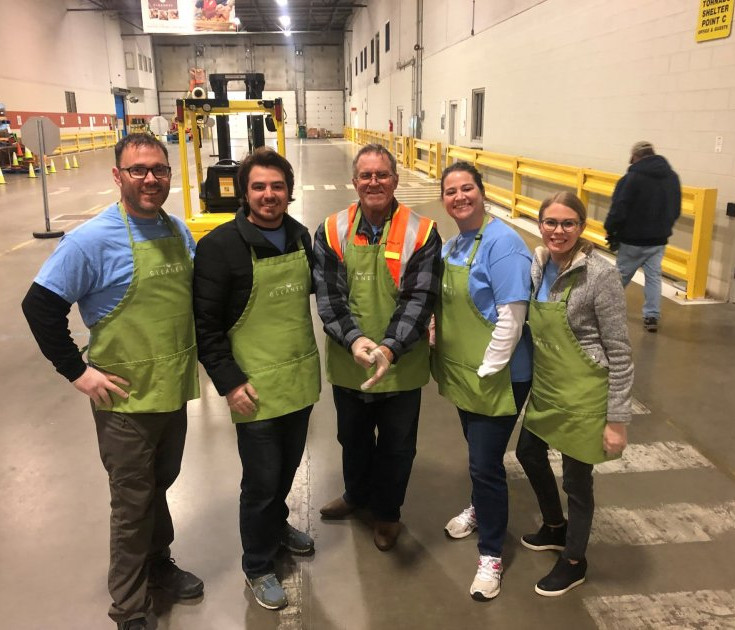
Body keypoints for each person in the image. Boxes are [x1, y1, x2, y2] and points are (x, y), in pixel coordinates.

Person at [22, 134, 203, 630]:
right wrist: (78, 372)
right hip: (123, 401)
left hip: (171, 390)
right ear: (117, 176)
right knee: (131, 501)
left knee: (158, 486)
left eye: (159, 170)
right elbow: (39, 307)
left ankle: (159, 566)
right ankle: (129, 606)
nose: (151, 179)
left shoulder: (178, 232)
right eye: (138, 170)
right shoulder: (89, 240)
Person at [193, 147, 320, 611]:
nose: (269, 195)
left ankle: (277, 524)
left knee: (285, 470)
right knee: (261, 480)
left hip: (299, 377)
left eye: (277, 186)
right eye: (259, 187)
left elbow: (327, 297)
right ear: (245, 194)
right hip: (254, 387)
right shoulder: (220, 247)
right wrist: (229, 382)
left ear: (288, 190)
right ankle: (258, 564)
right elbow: (205, 327)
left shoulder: (300, 237)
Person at [313, 143, 441, 552]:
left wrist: (388, 348)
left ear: (395, 181)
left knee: (397, 445)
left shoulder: (422, 232)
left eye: (382, 175)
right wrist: (354, 340)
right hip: (350, 360)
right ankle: (356, 496)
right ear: (354, 182)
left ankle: (387, 513)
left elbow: (419, 300)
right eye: (365, 176)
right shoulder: (332, 230)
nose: (373, 182)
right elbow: (329, 297)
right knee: (351, 437)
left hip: (401, 363)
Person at [517, 192, 633, 597]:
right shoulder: (539, 264)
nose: (558, 230)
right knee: (527, 453)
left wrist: (617, 421)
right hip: (548, 385)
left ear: (582, 228)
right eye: (551, 222)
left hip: (585, 392)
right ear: (540, 223)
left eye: (568, 223)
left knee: (577, 484)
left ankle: (573, 560)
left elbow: (619, 350)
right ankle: (554, 525)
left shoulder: (600, 276)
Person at [432, 162, 533, 601]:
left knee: (485, 465)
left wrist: (488, 371)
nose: (460, 197)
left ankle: (491, 554)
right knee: (477, 455)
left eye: (467, 188)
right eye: (451, 191)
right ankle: (480, 508)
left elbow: (512, 316)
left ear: (481, 191)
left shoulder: (504, 243)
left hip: (499, 374)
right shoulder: (453, 246)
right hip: (465, 373)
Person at [604, 141, 681, 332]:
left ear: (635, 157)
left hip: (632, 239)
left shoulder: (631, 178)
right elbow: (676, 208)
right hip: (658, 240)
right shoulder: (672, 177)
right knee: (654, 277)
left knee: (620, 276)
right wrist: (665, 227)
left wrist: (610, 228)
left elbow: (619, 207)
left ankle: (604, 310)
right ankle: (652, 316)